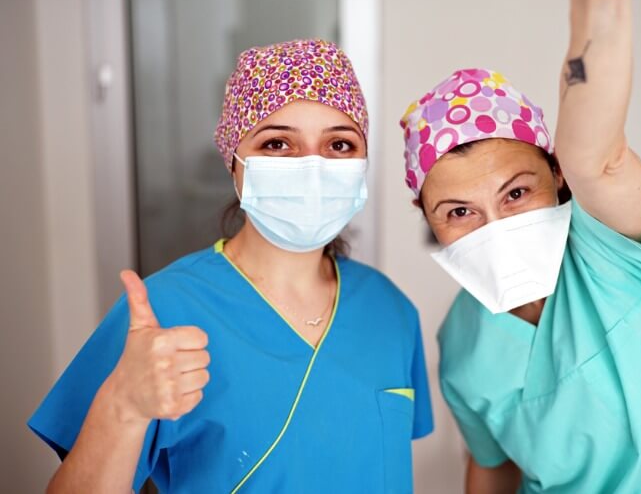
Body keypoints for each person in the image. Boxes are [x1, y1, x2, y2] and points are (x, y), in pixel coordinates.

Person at [399, 0, 641, 493]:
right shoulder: (463, 345)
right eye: (459, 211)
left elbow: (599, 156)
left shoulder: (618, 248)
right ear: (429, 221)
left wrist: (595, 3)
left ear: (557, 175)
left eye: (516, 193)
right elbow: (493, 466)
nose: (494, 227)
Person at [30, 39, 433, 493]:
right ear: (234, 162)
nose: (313, 167)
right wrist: (122, 407)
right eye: (278, 143)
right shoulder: (163, 310)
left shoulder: (390, 309)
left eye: (339, 143)